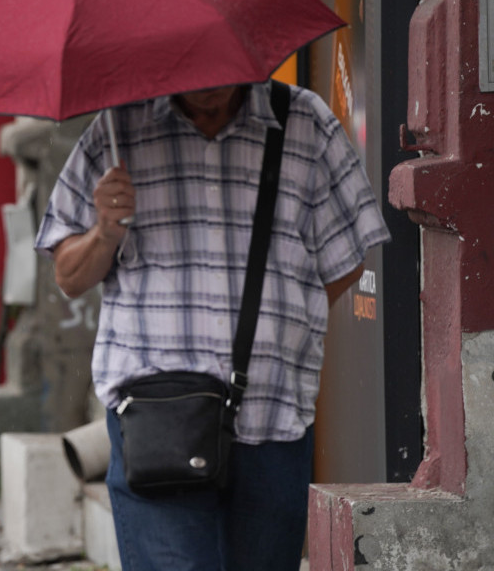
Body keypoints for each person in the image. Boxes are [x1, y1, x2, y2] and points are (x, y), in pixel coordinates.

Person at [35, 82, 390, 571]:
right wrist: (104, 232)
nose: (211, 88)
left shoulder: (303, 121)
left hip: (273, 414)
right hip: (157, 417)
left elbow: (349, 254)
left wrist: (283, 325)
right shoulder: (117, 129)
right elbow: (68, 276)